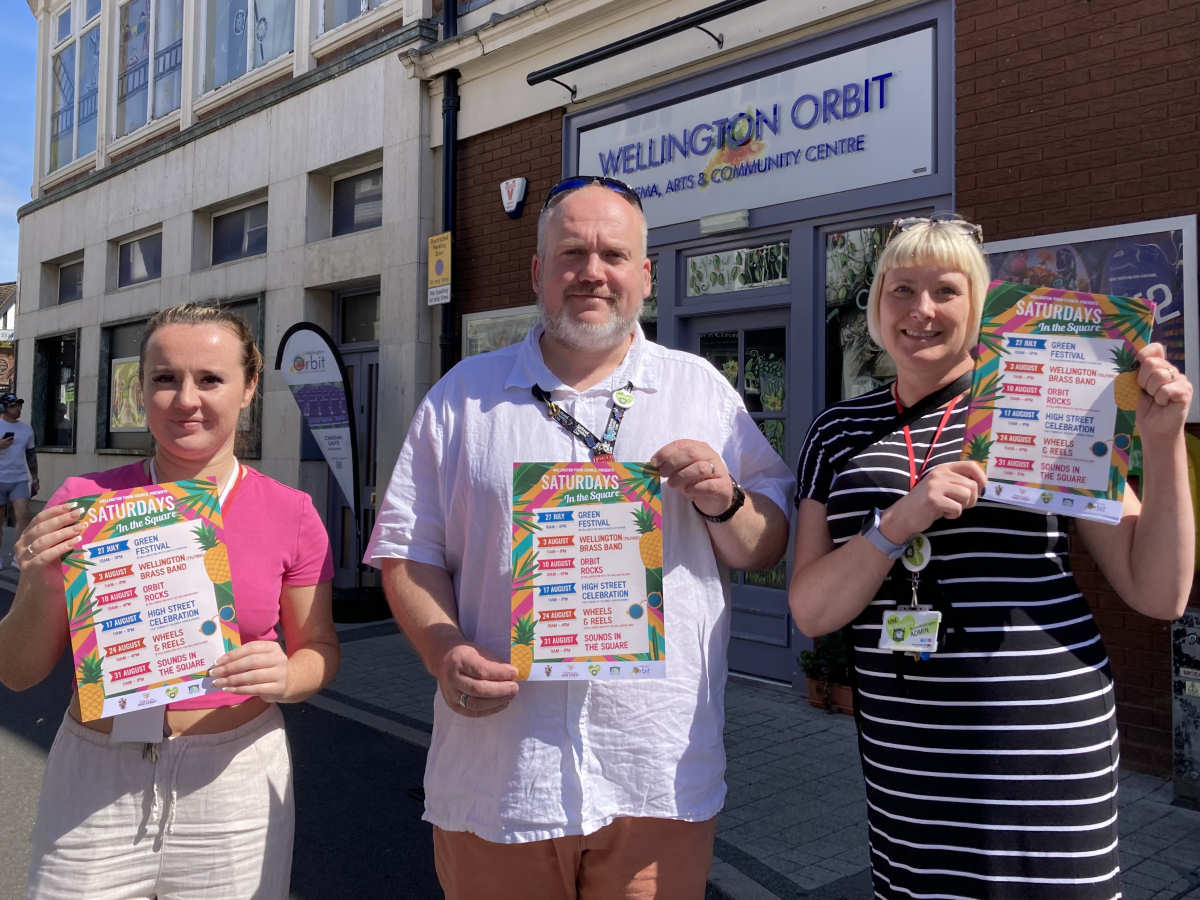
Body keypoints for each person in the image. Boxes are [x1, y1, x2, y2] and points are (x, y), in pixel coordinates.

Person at [366, 175, 794, 899]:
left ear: (645, 275)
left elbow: (765, 545)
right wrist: (442, 650)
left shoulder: (703, 391)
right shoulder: (463, 397)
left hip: (654, 770)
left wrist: (726, 503)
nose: (593, 272)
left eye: (614, 255)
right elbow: (408, 552)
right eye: (572, 253)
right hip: (503, 778)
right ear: (538, 271)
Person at [788, 215, 1193, 898]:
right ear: (876, 304)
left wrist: (1162, 441)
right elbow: (810, 609)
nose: (921, 310)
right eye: (900, 288)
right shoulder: (838, 431)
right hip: (909, 752)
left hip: (1042, 738)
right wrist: (900, 520)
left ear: (979, 305)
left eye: (946, 290)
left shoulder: (1044, 397)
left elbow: (1158, 594)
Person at [0, 303, 340, 898]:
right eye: (164, 378)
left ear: (248, 388)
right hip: (96, 776)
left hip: (233, 780)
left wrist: (289, 675)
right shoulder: (85, 503)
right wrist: (37, 582)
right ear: (141, 389)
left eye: (210, 378)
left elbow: (319, 649)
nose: (186, 399)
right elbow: (18, 673)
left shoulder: (293, 513)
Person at [0, 392, 38, 567]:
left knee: (23, 516)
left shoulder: (26, 429)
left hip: (19, 479)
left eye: (19, 405)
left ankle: (19, 556)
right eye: (14, 405)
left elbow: (31, 454)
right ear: (3, 408)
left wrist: (35, 478)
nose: (18, 408)